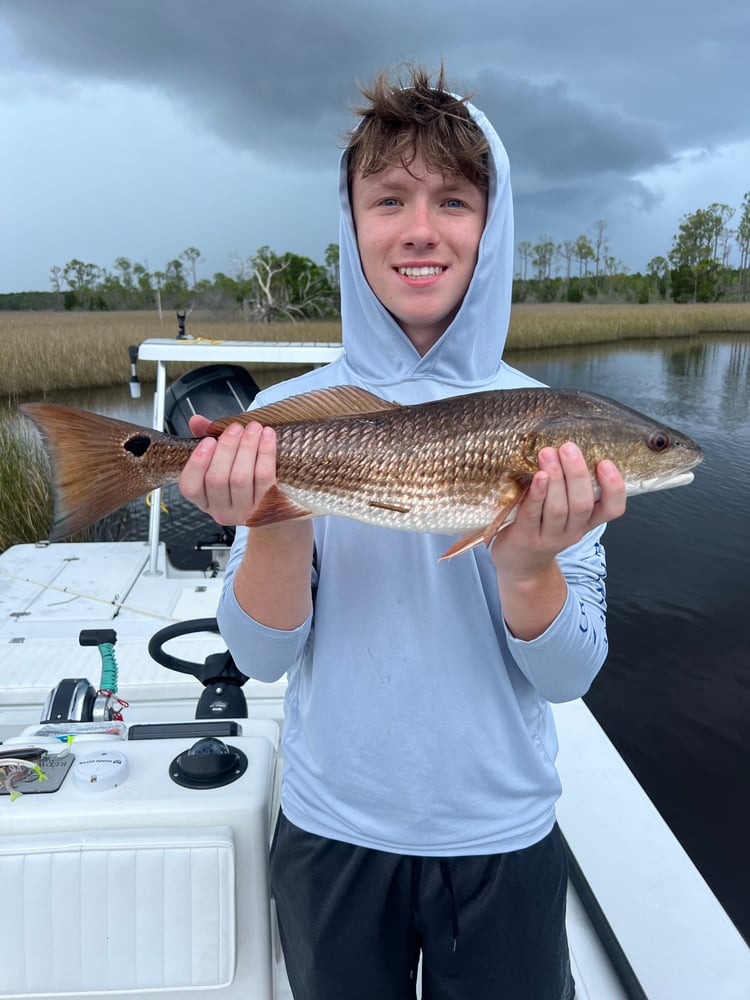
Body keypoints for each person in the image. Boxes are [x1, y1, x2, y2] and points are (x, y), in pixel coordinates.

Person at [180, 63, 626, 1000]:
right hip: (331, 830)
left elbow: (570, 675)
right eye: (389, 200)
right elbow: (260, 658)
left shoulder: (546, 420)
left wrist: (532, 564)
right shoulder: (290, 415)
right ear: (351, 225)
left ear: (491, 229)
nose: (420, 229)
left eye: (455, 201)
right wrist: (271, 525)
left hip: (502, 836)